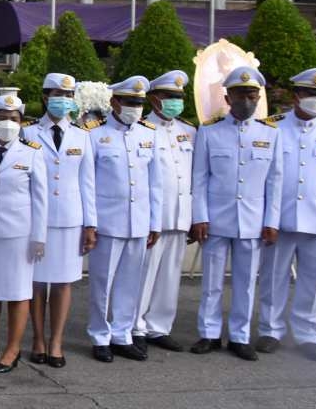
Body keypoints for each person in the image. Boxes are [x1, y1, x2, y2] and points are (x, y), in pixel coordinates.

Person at [189, 66, 282, 361]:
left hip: (253, 222)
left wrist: (271, 222)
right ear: (228, 97)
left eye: (251, 93)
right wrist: (199, 217)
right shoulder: (209, 130)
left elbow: (275, 182)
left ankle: (240, 337)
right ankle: (209, 333)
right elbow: (200, 178)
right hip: (216, 219)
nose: (246, 99)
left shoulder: (270, 133)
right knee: (211, 283)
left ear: (258, 97)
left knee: (245, 284)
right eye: (240, 93)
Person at [255, 67, 316, 361]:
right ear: (296, 95)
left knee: (314, 282)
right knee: (274, 276)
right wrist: (265, 219)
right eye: (310, 93)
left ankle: (307, 334)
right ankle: (270, 330)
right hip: (280, 219)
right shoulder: (272, 128)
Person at [22, 72, 97, 368]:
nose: (62, 101)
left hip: (69, 219)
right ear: (44, 97)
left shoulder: (83, 135)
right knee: (37, 284)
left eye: (67, 96)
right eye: (56, 95)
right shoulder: (27, 134)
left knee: (64, 284)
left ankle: (56, 342)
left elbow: (87, 183)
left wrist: (91, 224)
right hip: (36, 221)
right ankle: (38, 339)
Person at [86, 76, 161, 363]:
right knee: (102, 282)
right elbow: (89, 183)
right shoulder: (95, 134)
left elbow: (156, 184)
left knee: (131, 282)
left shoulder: (148, 135)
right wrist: (90, 223)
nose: (136, 108)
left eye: (140, 103)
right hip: (108, 222)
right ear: (114, 102)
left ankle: (122, 334)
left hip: (139, 222)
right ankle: (99, 335)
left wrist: (154, 223)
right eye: (130, 102)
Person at [0, 92, 47, 374]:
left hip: (19, 236)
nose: (8, 123)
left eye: (14, 119)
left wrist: (39, 237)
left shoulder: (32, 152)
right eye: (2, 118)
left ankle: (12, 348)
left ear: (21, 122)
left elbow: (41, 199)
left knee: (18, 294)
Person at [133, 70, 195, 354]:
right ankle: (135, 327)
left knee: (170, 276)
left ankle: (159, 327)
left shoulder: (188, 131)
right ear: (155, 99)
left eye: (179, 97)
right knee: (143, 275)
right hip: (151, 218)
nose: (175, 102)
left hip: (180, 216)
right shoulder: (142, 129)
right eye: (170, 97)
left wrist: (193, 218)